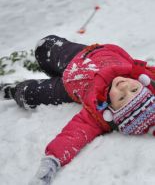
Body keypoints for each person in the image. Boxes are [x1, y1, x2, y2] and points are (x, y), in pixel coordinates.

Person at [1, 35, 155, 185]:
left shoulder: (98, 114)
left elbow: (73, 135)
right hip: (82, 56)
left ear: (111, 110)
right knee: (45, 46)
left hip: (68, 88)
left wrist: (52, 161)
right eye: (134, 89)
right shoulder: (144, 73)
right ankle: (53, 68)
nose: (124, 87)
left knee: (32, 93)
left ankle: (12, 91)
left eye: (121, 98)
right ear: (142, 84)